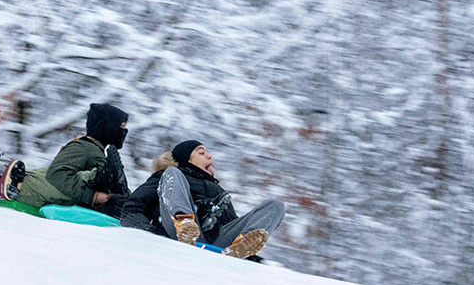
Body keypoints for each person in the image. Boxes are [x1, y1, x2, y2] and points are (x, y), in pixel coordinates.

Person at [121, 140, 285, 260]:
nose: (209, 156)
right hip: (175, 231)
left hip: (215, 241)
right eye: (201, 152)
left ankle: (239, 247)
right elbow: (132, 208)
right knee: (172, 174)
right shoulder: (168, 176)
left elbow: (229, 223)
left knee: (275, 206)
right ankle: (184, 223)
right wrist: (149, 233)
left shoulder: (218, 190)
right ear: (187, 159)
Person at [16, 103, 131, 216]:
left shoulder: (96, 150)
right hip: (30, 191)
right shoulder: (81, 146)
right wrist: (93, 196)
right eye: (122, 125)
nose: (125, 130)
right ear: (108, 127)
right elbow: (57, 174)